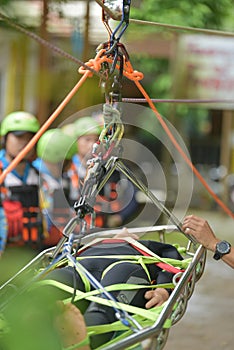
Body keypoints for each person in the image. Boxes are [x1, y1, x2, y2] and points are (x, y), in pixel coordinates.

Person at [42, 228, 183, 349]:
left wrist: (163, 290)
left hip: (125, 265)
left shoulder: (145, 246)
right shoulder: (91, 245)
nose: (125, 232)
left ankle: (83, 341)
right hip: (79, 267)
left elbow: (174, 262)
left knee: (106, 305)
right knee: (48, 286)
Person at [68, 116, 139, 229]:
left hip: (104, 230)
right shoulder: (66, 170)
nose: (92, 145)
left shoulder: (111, 170)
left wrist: (120, 217)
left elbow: (132, 195)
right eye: (87, 139)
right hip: (75, 231)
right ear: (77, 141)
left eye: (96, 140)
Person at [0, 111, 44, 253]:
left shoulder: (37, 174)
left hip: (32, 252)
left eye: (30, 138)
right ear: (5, 139)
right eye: (18, 137)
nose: (24, 143)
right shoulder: (2, 173)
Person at [33, 128, 77, 247]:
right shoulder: (37, 178)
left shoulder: (59, 179)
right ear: (60, 160)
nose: (70, 166)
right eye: (68, 161)